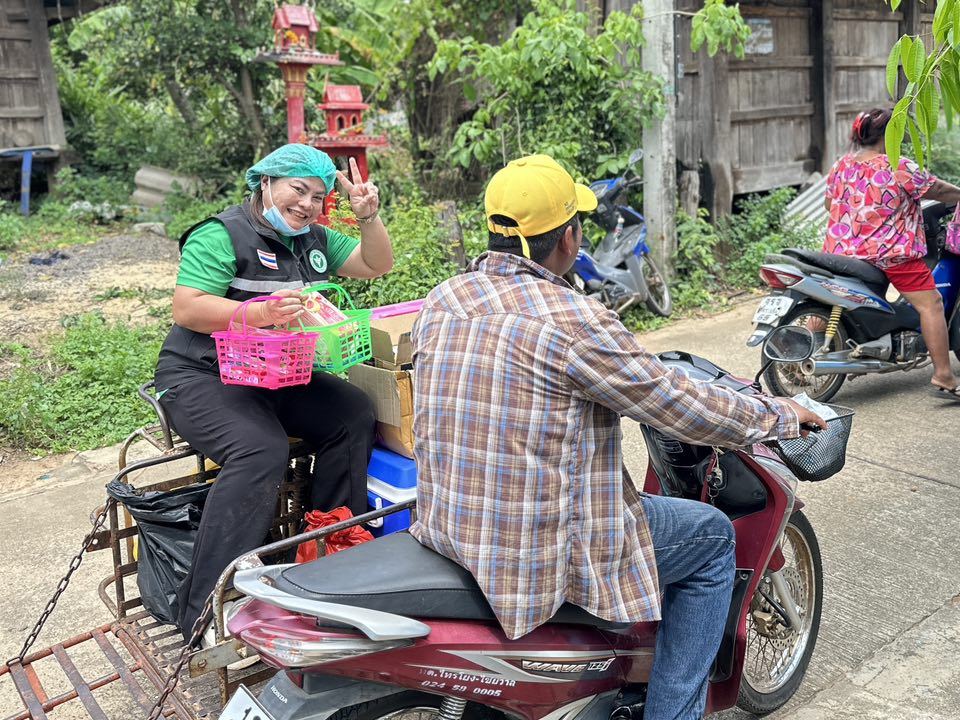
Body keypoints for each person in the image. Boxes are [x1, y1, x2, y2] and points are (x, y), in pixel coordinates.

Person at [408, 154, 826, 719]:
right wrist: (776, 414)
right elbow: (677, 403)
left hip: (451, 524)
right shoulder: (573, 320)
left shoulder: (444, 300)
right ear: (569, 238)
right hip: (542, 544)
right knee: (711, 540)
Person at [154, 144, 393, 639]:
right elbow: (187, 307)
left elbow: (376, 265)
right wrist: (255, 314)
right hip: (202, 375)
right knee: (258, 449)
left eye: (319, 196)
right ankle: (204, 607)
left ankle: (325, 551)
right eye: (297, 190)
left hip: (275, 373)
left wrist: (368, 218)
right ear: (265, 183)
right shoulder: (222, 234)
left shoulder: (316, 240)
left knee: (352, 412)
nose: (307, 204)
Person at [824, 107, 960, 398]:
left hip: (841, 253)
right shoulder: (897, 166)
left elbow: (829, 204)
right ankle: (944, 375)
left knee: (827, 299)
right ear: (890, 134)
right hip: (890, 255)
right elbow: (937, 189)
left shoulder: (842, 165)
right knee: (932, 304)